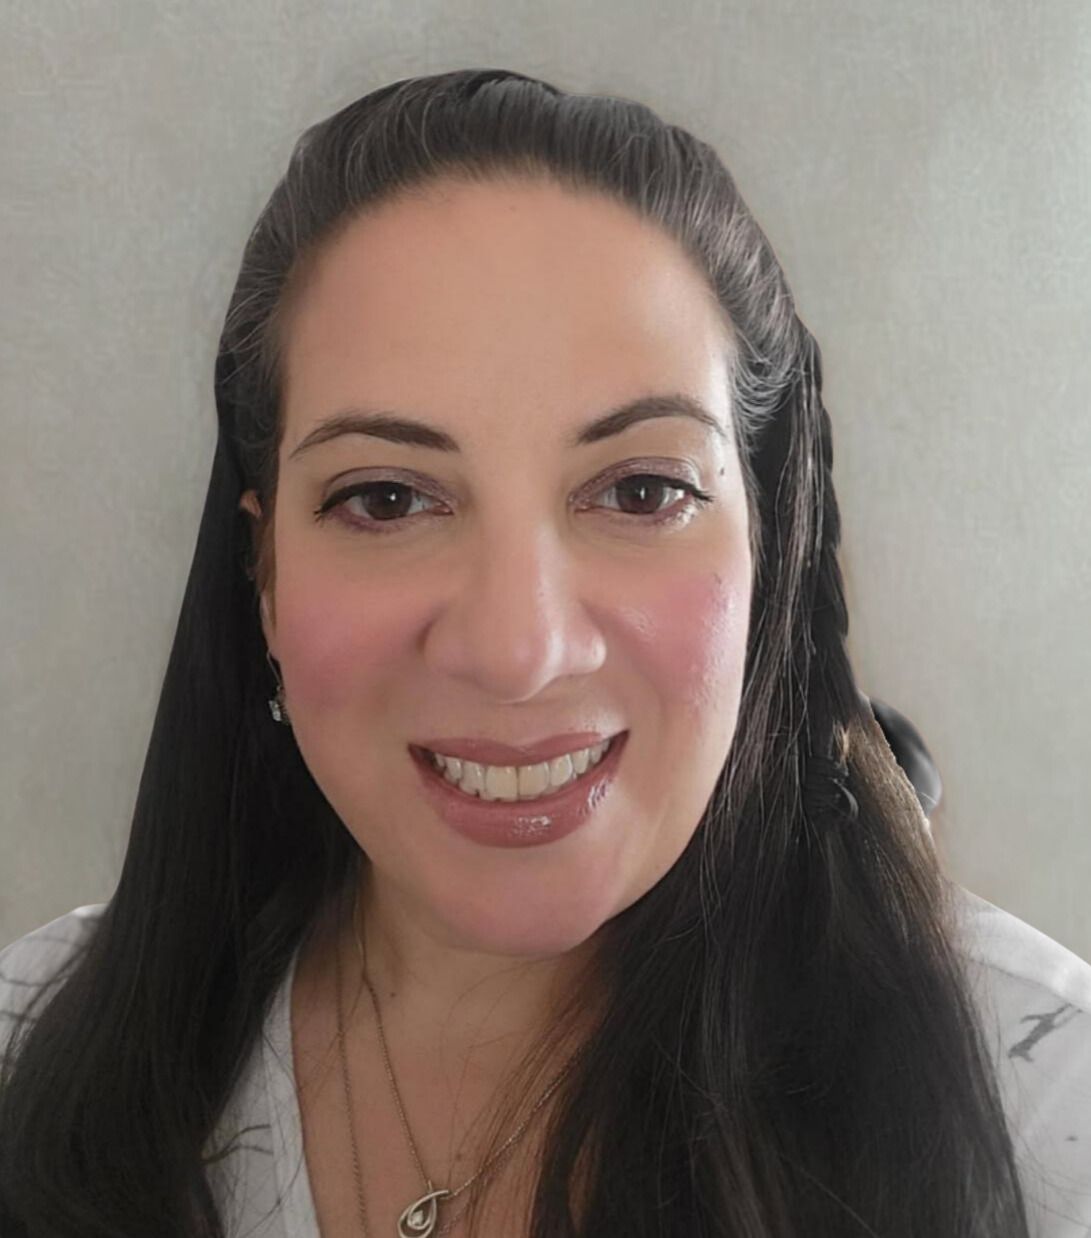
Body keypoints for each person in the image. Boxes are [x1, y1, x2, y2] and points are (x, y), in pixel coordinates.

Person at [2, 68, 1089, 1238]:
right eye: (384, 497)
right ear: (262, 577)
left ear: (772, 552)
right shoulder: (34, 1053)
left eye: (638, 487)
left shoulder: (1039, 1106)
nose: (517, 650)